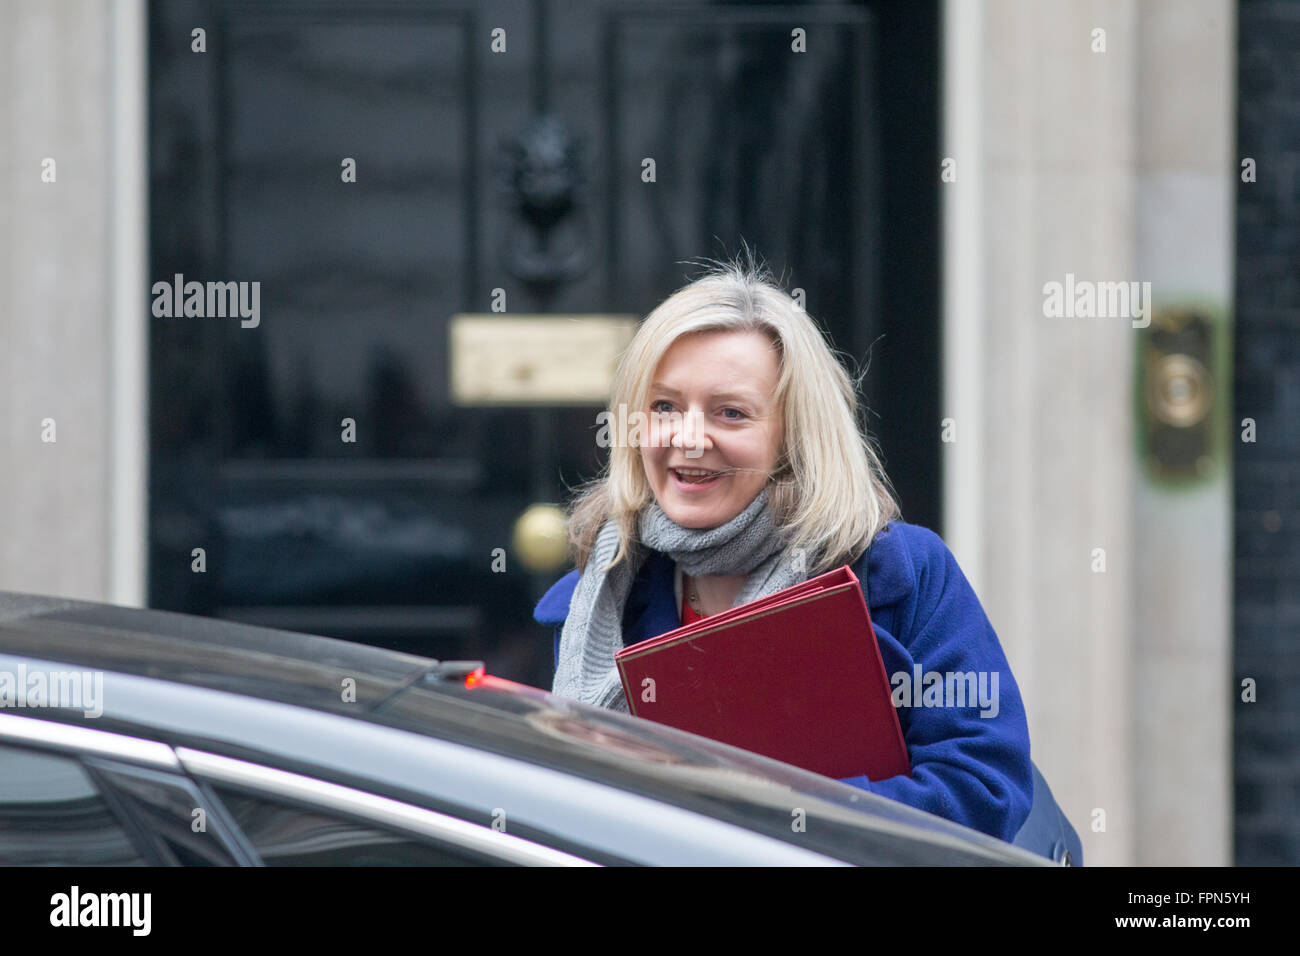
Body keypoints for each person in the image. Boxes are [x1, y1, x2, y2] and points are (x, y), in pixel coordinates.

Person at [534, 254, 1035, 846]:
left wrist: (771, 816)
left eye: (731, 413)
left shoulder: (904, 574)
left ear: (793, 436)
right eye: (664, 407)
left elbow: (984, 789)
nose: (688, 439)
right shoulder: (599, 597)